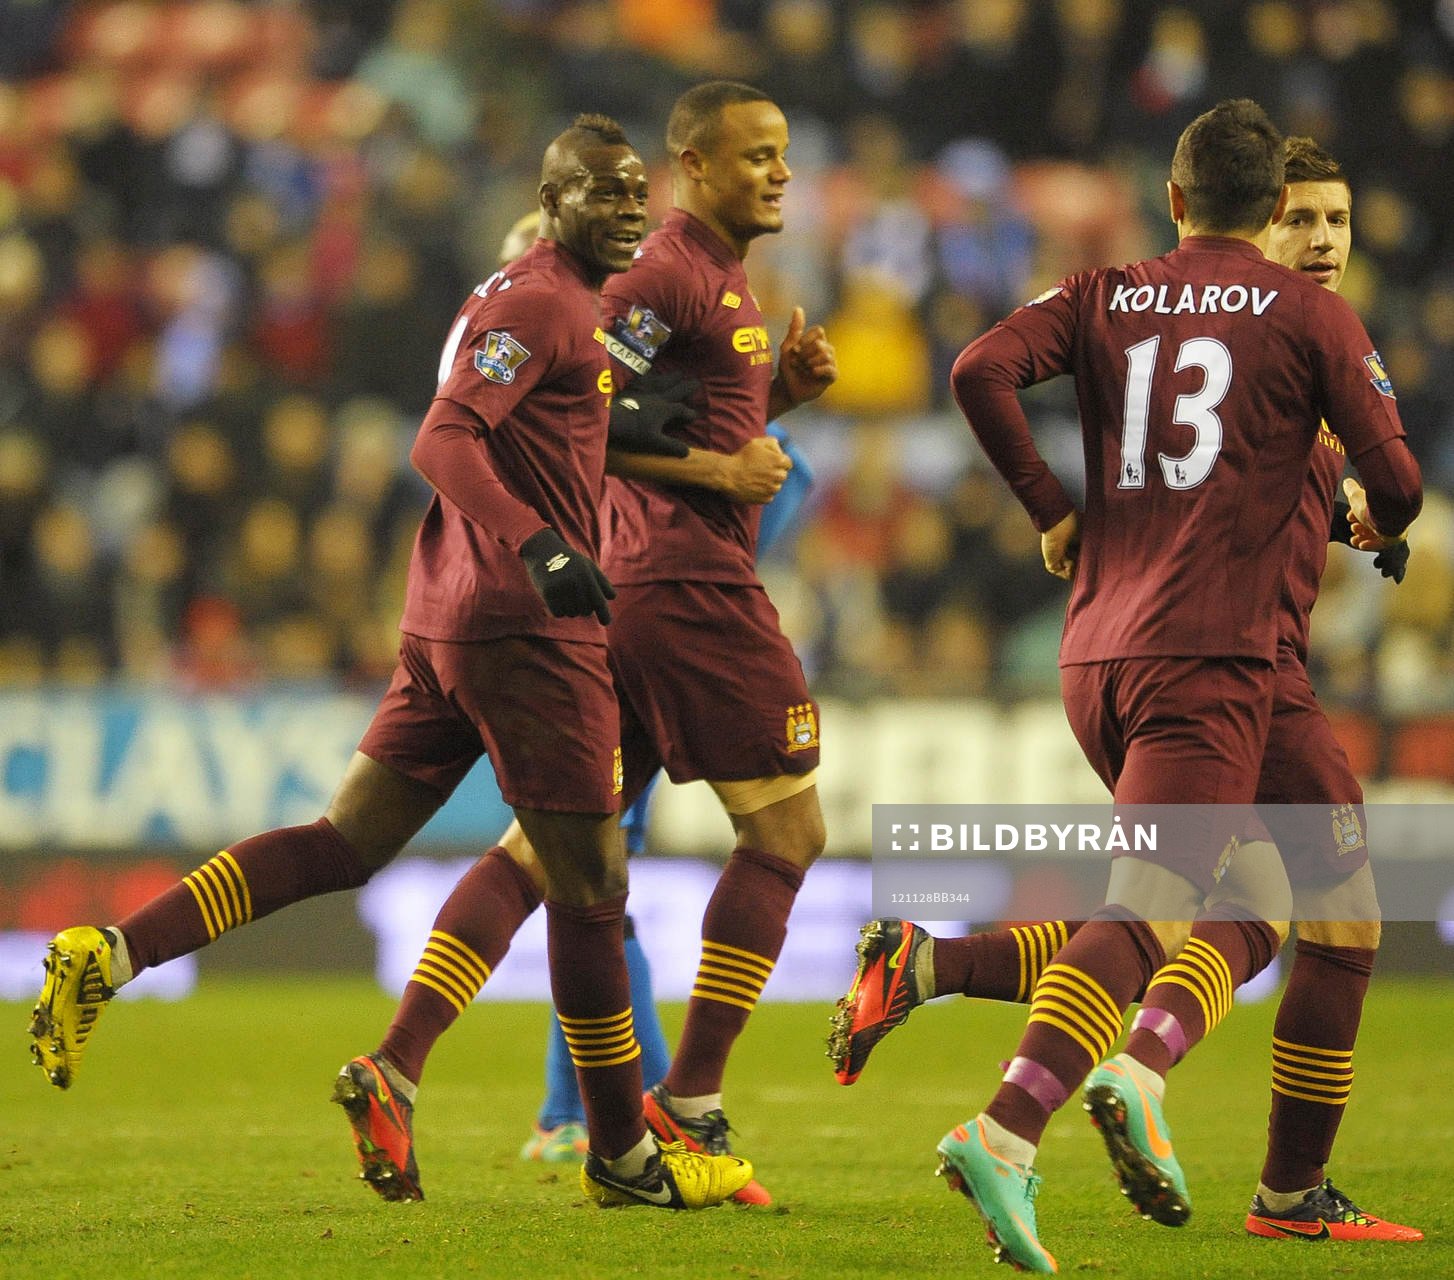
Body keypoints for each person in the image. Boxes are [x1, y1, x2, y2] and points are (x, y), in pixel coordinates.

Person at [27, 114, 753, 1212]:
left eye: (633, 195)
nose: (625, 212)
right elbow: (441, 437)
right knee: (592, 887)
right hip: (524, 629)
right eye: (601, 192)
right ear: (550, 201)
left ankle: (112, 953)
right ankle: (621, 1155)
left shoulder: (555, 303)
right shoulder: (539, 302)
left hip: (448, 618)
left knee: (346, 840)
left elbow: (573, 438)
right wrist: (542, 543)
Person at [827, 136, 1422, 1245]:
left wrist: (1054, 509)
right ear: (1262, 213)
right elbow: (1391, 481)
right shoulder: (1301, 323)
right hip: (1221, 661)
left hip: (1112, 649)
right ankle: (1036, 1118)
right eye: (1301, 217)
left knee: (1270, 899)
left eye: (1338, 220)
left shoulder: (1121, 300)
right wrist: (1380, 514)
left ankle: (947, 970)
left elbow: (987, 372)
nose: (1322, 241)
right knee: (1180, 907)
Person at [341, 79, 836, 1208]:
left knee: (549, 851)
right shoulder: (665, 273)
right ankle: (686, 1103)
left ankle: (398, 1061)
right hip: (683, 582)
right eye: (756, 155)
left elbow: (638, 411)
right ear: (692, 166)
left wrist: (775, 401)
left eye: (784, 154)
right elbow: (584, 413)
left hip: (630, 584)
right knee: (786, 826)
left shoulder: (713, 278)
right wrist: (719, 467)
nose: (780, 173)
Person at [486, 209, 816, 1167]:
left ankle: (563, 1103)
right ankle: (634, 1101)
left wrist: (768, 409)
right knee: (582, 871)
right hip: (613, 620)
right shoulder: (586, 364)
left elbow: (741, 471)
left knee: (577, 869)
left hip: (610, 619)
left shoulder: (605, 361)